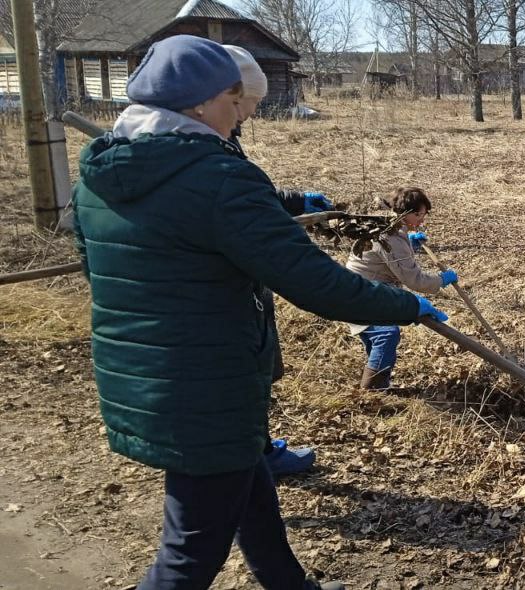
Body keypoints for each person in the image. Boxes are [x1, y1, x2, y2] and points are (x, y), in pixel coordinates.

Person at [71, 35, 447, 589]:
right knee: (189, 552)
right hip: (206, 381)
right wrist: (405, 304)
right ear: (200, 103)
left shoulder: (100, 177)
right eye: (234, 101)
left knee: (252, 494)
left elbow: (111, 262)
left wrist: (283, 206)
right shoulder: (218, 176)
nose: (240, 116)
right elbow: (313, 281)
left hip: (144, 373)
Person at [223, 44, 327, 477]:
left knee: (248, 381)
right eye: (250, 104)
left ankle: (257, 450)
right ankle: (254, 455)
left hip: (239, 297)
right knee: (237, 384)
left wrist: (293, 200)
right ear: (226, 97)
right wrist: (401, 304)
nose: (250, 114)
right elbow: (307, 275)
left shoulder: (219, 140)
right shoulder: (203, 153)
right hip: (222, 304)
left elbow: (245, 192)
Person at [345, 187, 458, 390]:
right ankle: (372, 392)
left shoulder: (392, 227)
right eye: (420, 215)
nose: (422, 221)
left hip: (366, 287)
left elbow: (387, 259)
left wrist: (409, 244)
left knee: (380, 334)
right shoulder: (390, 236)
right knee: (385, 334)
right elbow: (414, 279)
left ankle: (377, 383)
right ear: (408, 213)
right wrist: (441, 280)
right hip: (360, 292)